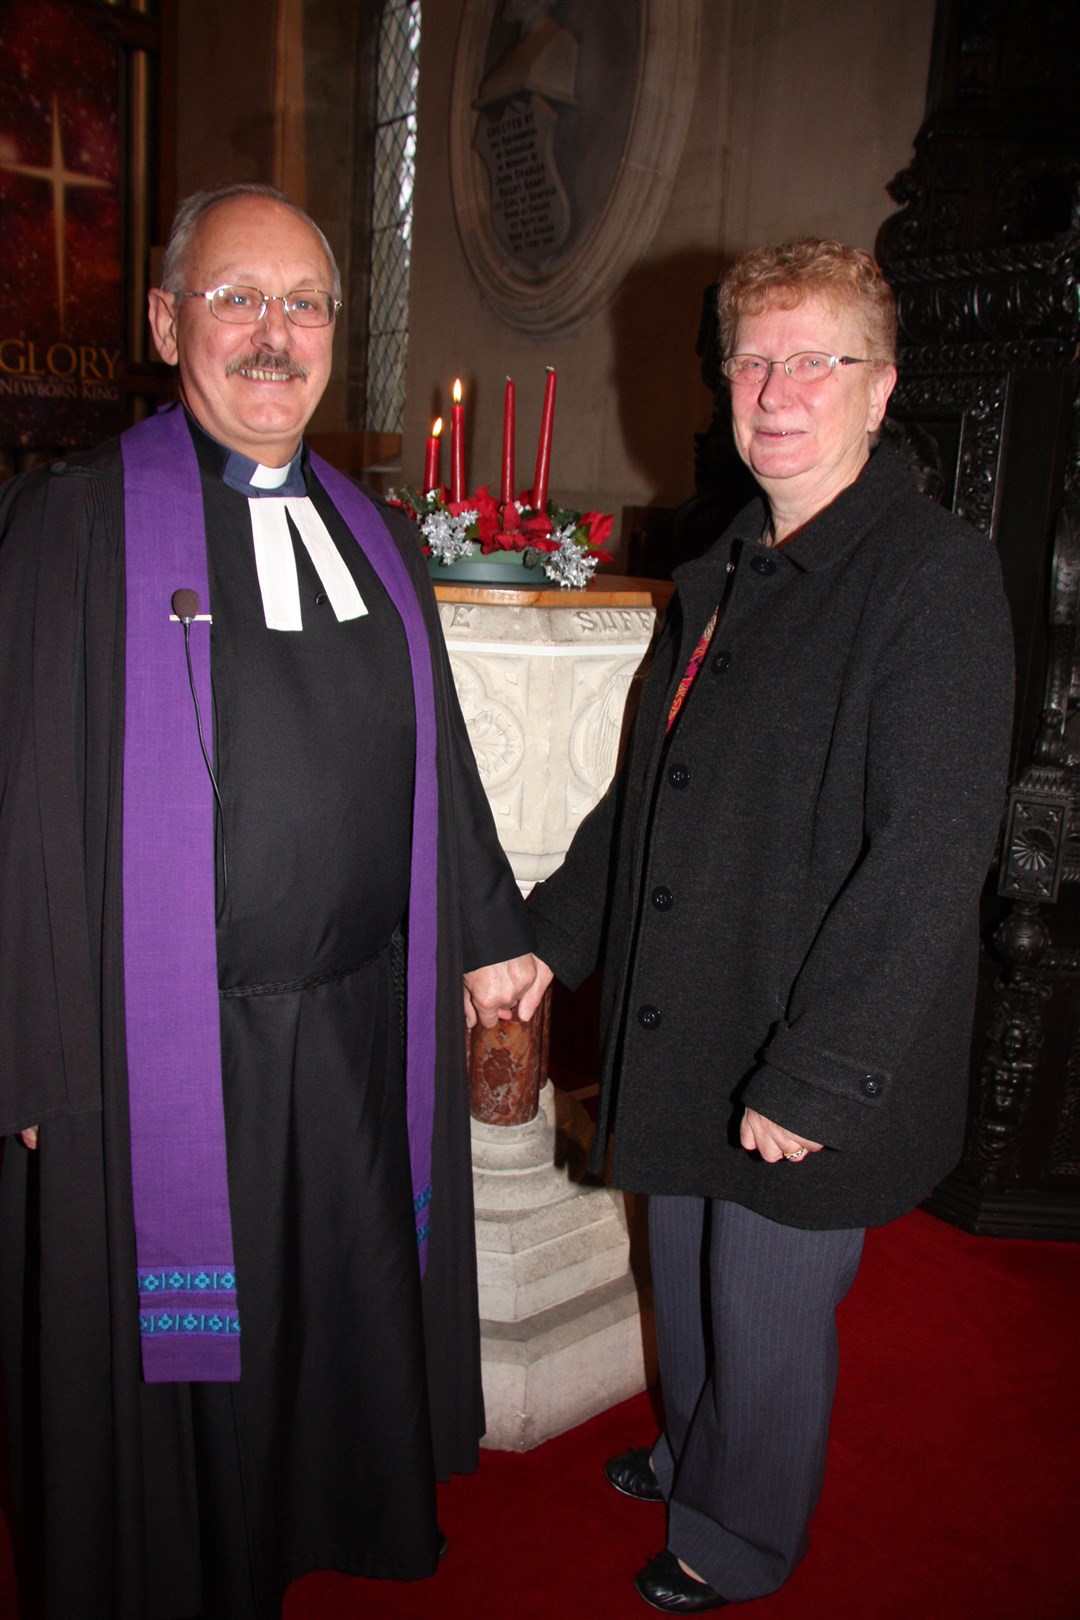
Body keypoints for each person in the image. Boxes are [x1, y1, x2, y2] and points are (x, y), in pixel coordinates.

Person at [0, 181, 537, 1620]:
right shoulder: (77, 526)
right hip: (164, 1046)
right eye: (237, 296)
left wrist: (488, 938)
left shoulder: (379, 531)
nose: (272, 332)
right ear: (169, 320)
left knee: (325, 1318)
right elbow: (21, 806)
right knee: (190, 1365)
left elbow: (443, 766)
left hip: (360, 1029)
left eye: (303, 303)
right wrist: (38, 1057)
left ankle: (302, 1531)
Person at [522, 239, 1015, 1612]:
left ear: (882, 389)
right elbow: (650, 795)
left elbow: (927, 854)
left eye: (817, 359)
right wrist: (552, 938)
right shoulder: (726, 560)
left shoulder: (929, 577)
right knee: (682, 1265)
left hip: (816, 1024)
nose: (777, 388)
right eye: (752, 359)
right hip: (700, 998)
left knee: (767, 1302)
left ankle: (735, 1537)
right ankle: (691, 1445)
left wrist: (821, 1071)